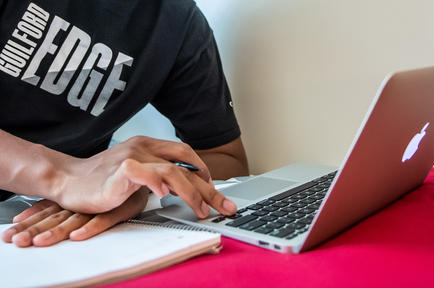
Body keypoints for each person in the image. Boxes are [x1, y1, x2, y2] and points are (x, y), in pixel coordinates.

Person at [0, 0, 248, 247]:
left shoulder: (179, 22)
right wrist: (62, 176)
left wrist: (144, 185)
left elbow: (226, 158)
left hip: (62, 220)